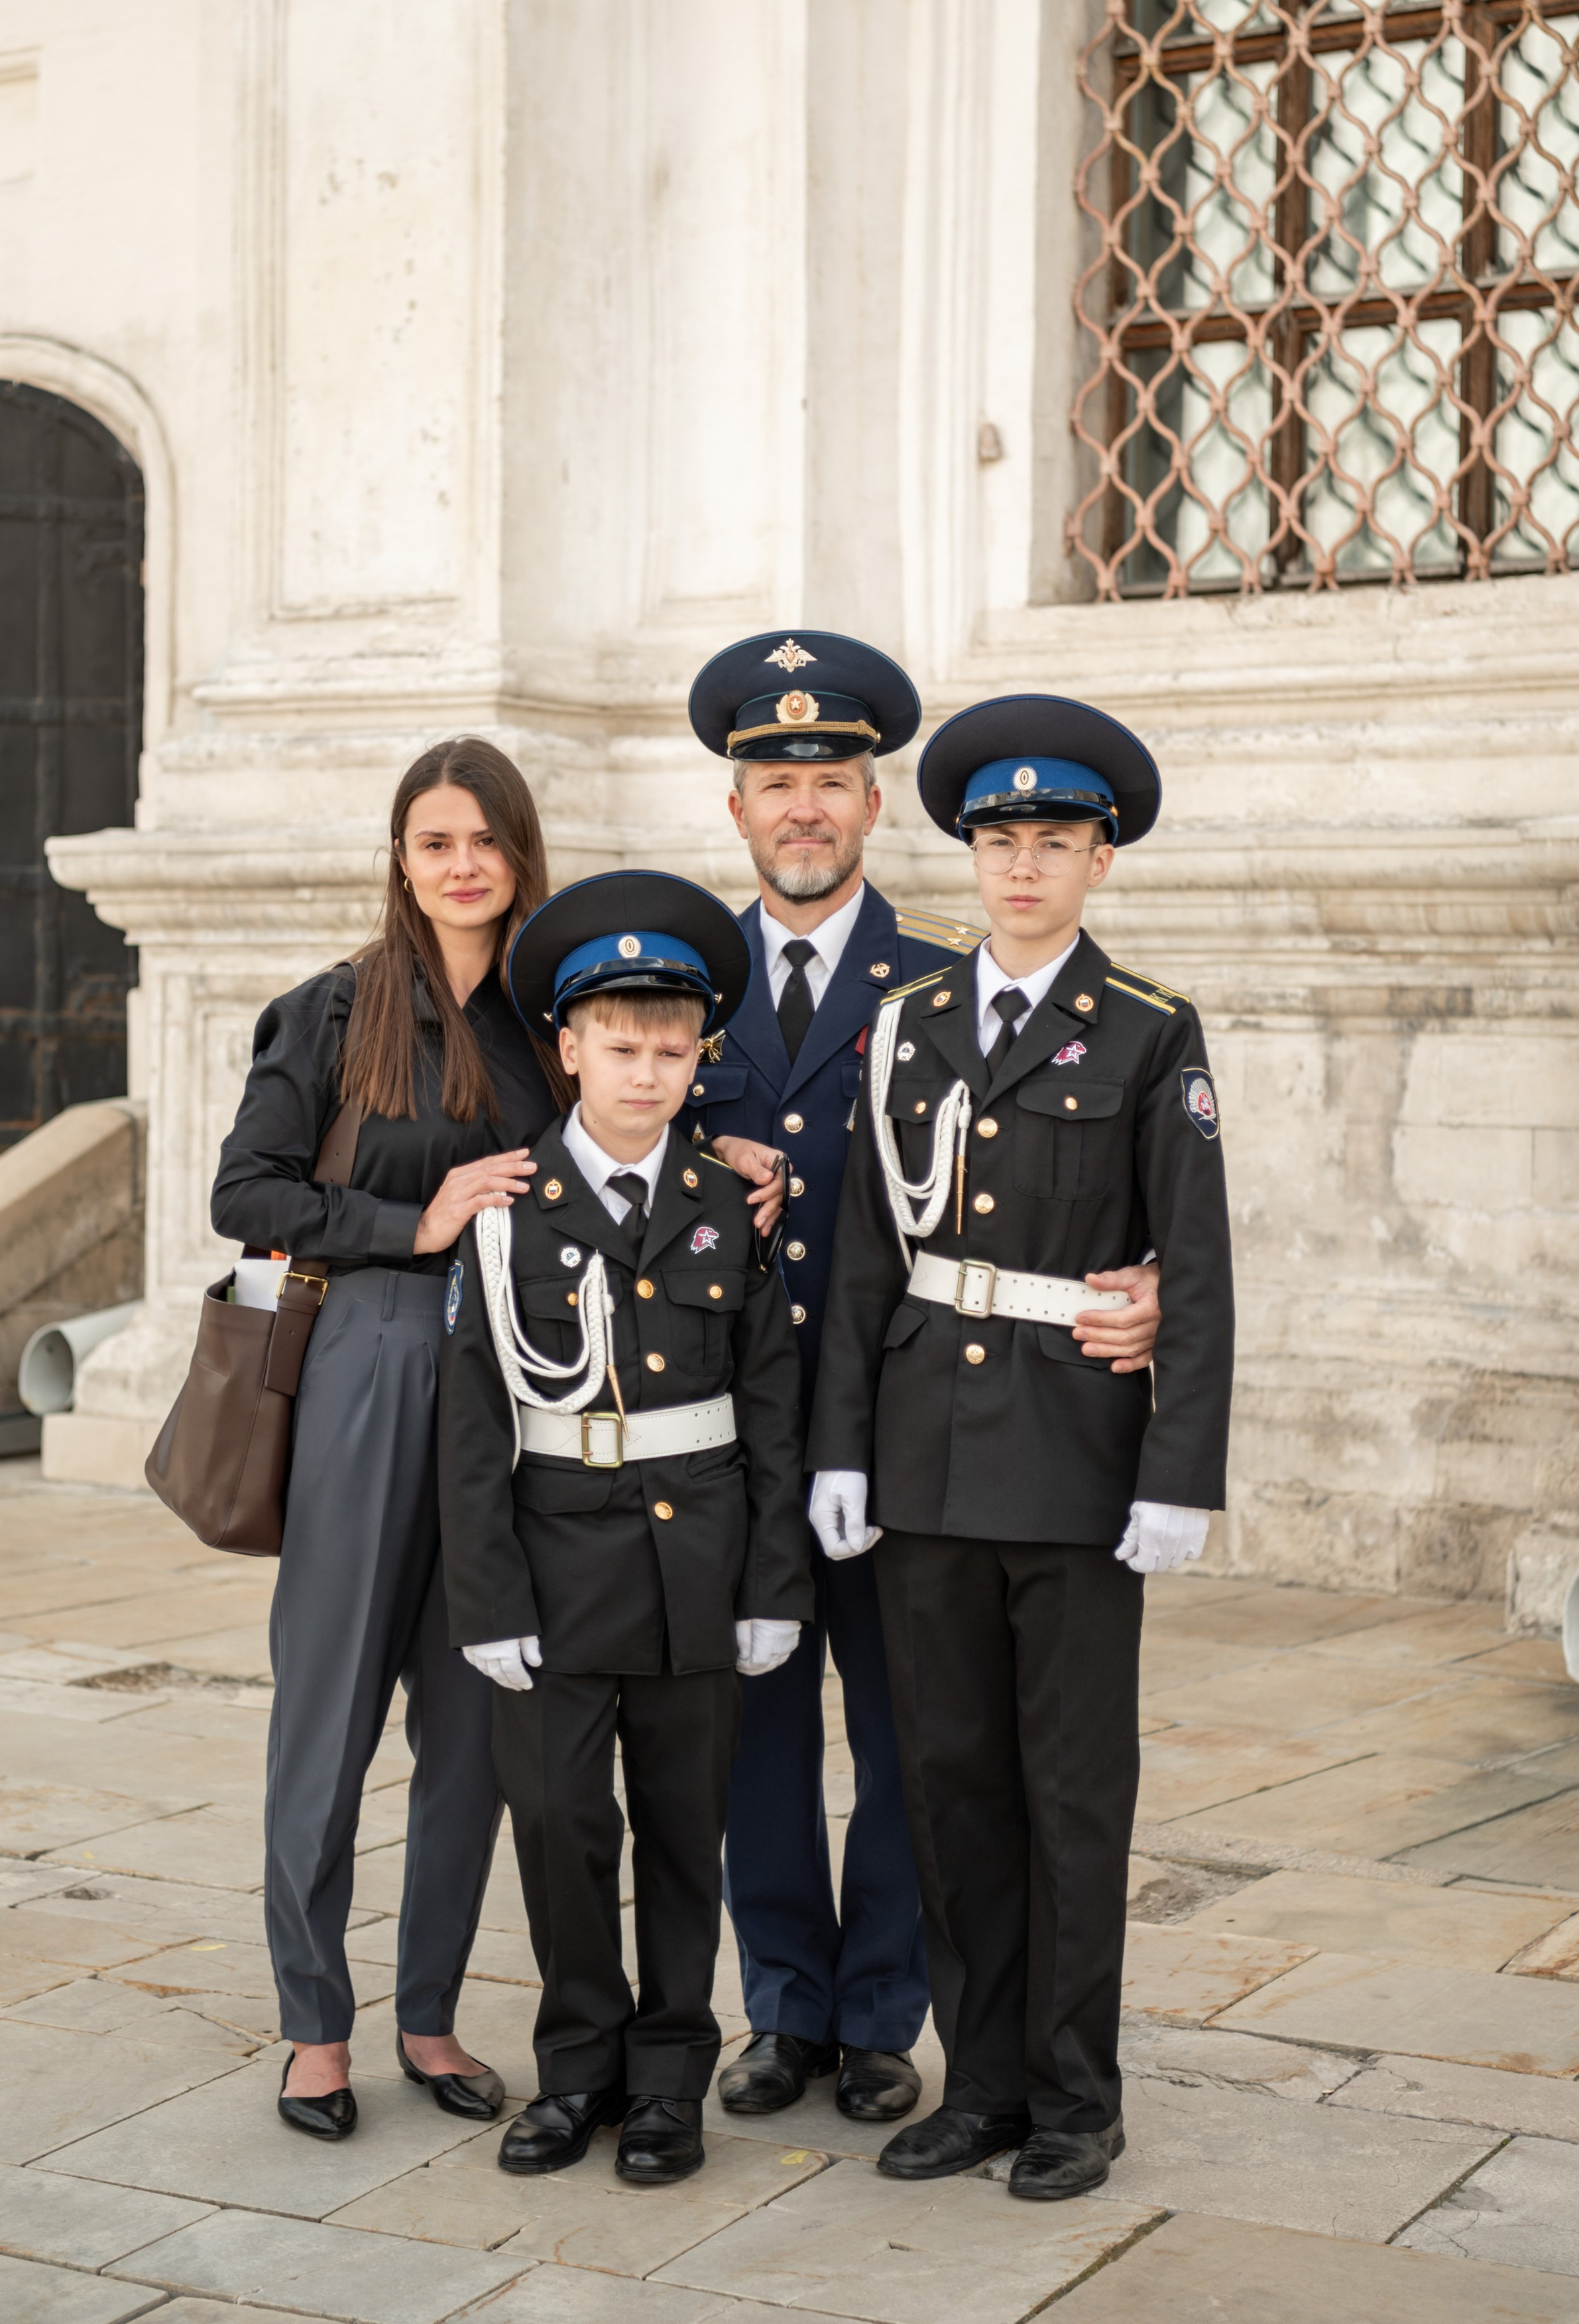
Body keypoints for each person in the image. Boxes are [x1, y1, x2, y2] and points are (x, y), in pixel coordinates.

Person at [682, 636, 1163, 2125]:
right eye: (776, 782)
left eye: (829, 780)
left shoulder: (932, 985)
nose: (803, 807)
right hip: (726, 1431)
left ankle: (885, 2010)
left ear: (874, 803)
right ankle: (782, 2006)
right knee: (753, 1730)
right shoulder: (670, 980)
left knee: (915, 1738)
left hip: (903, 1425)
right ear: (737, 807)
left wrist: (1136, 1283)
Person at [805, 694, 1235, 2201]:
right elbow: (866, 1249)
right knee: (943, 1782)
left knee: (1068, 1792)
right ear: (969, 854)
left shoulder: (1143, 1030)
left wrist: (1177, 1467)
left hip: (1070, 1461)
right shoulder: (907, 1026)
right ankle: (977, 2082)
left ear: (1097, 864)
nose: (1021, 868)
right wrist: (838, 1445)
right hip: (922, 1452)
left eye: (1052, 843)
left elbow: (1194, 1255)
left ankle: (1072, 2096)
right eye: (998, 842)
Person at [211, 737, 567, 2141]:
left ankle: (426, 2013)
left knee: (474, 1721)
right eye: (434, 841)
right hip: (366, 1368)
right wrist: (404, 1223)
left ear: (520, 855)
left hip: (518, 1394)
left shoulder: (556, 1018)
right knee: (329, 1714)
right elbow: (245, 1186)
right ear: (402, 858)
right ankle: (312, 2023)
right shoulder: (330, 1011)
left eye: (485, 839)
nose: (462, 863)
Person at [438, 872, 815, 2185]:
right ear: (568, 1047)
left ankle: (665, 2084)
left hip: (696, 1565)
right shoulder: (500, 1211)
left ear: (698, 1055)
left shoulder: (730, 1203)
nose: (644, 1072)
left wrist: (776, 1583)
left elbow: (769, 1405)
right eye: (618, 1044)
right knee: (556, 1827)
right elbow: (473, 1424)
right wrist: (482, 1600)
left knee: (677, 1831)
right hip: (549, 1562)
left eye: (669, 1048)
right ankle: (576, 2071)